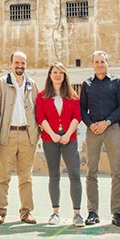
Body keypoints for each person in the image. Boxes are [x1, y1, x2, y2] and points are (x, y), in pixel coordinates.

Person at [79, 51, 120, 226]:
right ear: (93, 64)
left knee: (116, 171)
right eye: (97, 62)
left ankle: (117, 213)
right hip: (93, 130)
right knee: (91, 171)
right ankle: (92, 212)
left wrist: (107, 122)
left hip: (112, 128)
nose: (100, 65)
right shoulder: (86, 84)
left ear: (108, 63)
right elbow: (82, 109)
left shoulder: (118, 82)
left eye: (102, 62)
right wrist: (90, 124)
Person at [0, 51, 40, 224]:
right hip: (7, 136)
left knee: (26, 177)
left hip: (27, 137)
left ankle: (26, 212)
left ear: (26, 64)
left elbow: (37, 110)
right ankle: (0, 211)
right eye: (17, 63)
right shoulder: (0, 84)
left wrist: (36, 134)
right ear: (11, 63)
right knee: (3, 176)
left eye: (23, 63)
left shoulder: (32, 84)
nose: (20, 66)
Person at [36, 62, 84, 227]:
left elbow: (77, 117)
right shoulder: (42, 96)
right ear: (49, 75)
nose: (57, 75)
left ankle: (77, 214)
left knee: (74, 175)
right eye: (54, 72)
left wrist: (67, 134)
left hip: (69, 140)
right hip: (50, 140)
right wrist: (53, 134)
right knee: (54, 175)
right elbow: (40, 117)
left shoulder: (73, 96)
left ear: (65, 76)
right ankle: (55, 212)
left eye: (60, 73)